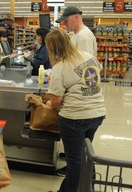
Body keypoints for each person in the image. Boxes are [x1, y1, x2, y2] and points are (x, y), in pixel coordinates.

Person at [45, 29, 106, 192]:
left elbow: (56, 102)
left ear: (52, 48)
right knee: (86, 154)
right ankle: (89, 187)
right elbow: (95, 73)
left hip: (74, 118)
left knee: (75, 161)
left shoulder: (60, 67)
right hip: (97, 114)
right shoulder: (88, 57)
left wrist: (53, 103)